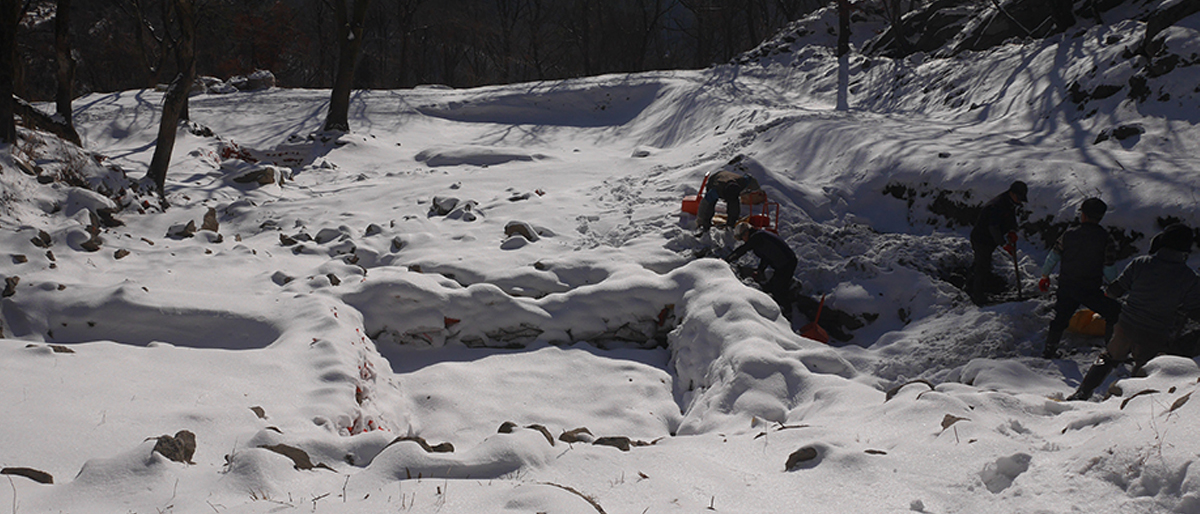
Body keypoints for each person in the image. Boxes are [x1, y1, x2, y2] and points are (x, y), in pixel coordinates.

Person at [1067, 223, 1200, 401]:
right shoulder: (1189, 278)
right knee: (1144, 375)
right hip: (1155, 333)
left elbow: (1114, 291)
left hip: (1126, 325)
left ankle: (1082, 392)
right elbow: (1193, 310)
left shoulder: (1141, 263)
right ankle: (1124, 406)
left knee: (1108, 358)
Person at [1037, 197, 1121, 359]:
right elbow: (1109, 267)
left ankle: (1050, 349)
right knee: (1114, 312)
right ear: (1101, 217)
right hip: (1090, 288)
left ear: (1083, 214)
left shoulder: (1069, 234)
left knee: (1060, 317)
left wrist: (1044, 276)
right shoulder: (1105, 238)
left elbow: (1053, 257)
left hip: (1067, 286)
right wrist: (1114, 286)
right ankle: (1112, 351)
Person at [969, 181, 1027, 303]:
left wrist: (1011, 230)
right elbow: (993, 227)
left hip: (989, 239)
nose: (1020, 201)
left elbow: (1009, 218)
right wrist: (1003, 244)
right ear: (1012, 193)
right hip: (981, 239)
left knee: (984, 264)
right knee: (982, 265)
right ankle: (977, 295)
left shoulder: (1009, 203)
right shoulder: (997, 205)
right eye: (1019, 197)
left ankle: (975, 286)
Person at [725, 222, 797, 314]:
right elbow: (766, 256)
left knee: (778, 290)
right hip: (786, 262)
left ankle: (787, 312)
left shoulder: (756, 238)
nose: (744, 240)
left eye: (742, 238)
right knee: (773, 285)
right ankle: (787, 292)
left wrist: (727, 259)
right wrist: (760, 270)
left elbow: (743, 250)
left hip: (786, 264)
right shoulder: (760, 235)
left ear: (746, 233)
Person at [696, 164, 760, 234]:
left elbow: (750, 178)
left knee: (734, 205)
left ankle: (731, 224)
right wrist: (701, 220)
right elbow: (704, 204)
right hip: (716, 178)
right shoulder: (715, 191)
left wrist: (757, 190)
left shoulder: (741, 182)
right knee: (710, 205)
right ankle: (705, 226)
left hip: (730, 179)